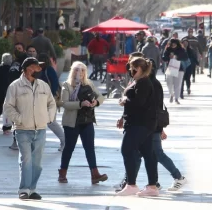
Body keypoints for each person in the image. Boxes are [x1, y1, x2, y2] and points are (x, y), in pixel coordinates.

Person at [3, 57, 56, 200]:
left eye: (39, 68)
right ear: (27, 69)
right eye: (36, 67)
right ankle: (24, 189)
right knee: (26, 159)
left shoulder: (43, 85)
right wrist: (19, 119)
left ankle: (32, 189)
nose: (39, 70)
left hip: (40, 129)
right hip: (22, 130)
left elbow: (52, 103)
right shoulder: (15, 86)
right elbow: (8, 106)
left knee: (37, 163)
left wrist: (49, 118)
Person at [58, 61, 108, 184]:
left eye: (82, 70)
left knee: (90, 148)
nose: (79, 72)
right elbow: (64, 103)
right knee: (69, 148)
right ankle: (62, 173)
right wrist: (80, 104)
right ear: (72, 71)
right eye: (76, 69)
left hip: (87, 120)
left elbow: (101, 97)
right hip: (72, 122)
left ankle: (95, 174)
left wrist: (96, 102)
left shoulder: (89, 83)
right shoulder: (67, 85)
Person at [116, 57, 158, 196]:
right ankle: (152, 186)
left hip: (139, 124)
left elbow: (139, 102)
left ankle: (131, 184)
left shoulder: (144, 82)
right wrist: (123, 116)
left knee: (127, 150)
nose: (131, 70)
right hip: (140, 123)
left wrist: (125, 100)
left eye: (134, 68)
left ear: (141, 68)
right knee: (148, 153)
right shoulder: (138, 81)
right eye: (130, 67)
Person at [149, 59, 187, 191]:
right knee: (151, 154)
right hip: (151, 126)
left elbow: (156, 109)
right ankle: (154, 183)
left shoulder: (152, 84)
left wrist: (159, 129)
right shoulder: (150, 83)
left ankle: (178, 177)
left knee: (154, 154)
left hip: (151, 127)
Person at [38, 53, 65, 151]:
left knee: (51, 122)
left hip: (49, 100)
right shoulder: (40, 70)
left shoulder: (48, 70)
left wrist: (50, 97)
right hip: (41, 99)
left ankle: (64, 141)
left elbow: (54, 84)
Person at [8, 43, 28, 150]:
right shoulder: (14, 62)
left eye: (19, 48)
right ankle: (16, 140)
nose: (17, 50)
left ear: (24, 50)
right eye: (16, 48)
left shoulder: (25, 61)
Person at [162, 39, 189, 104]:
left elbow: (185, 57)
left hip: (180, 69)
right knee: (169, 83)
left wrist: (177, 57)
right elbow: (163, 57)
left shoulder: (181, 50)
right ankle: (171, 94)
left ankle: (176, 98)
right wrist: (169, 57)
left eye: (174, 44)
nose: (173, 45)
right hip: (170, 68)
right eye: (172, 44)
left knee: (178, 84)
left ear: (177, 44)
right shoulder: (168, 49)